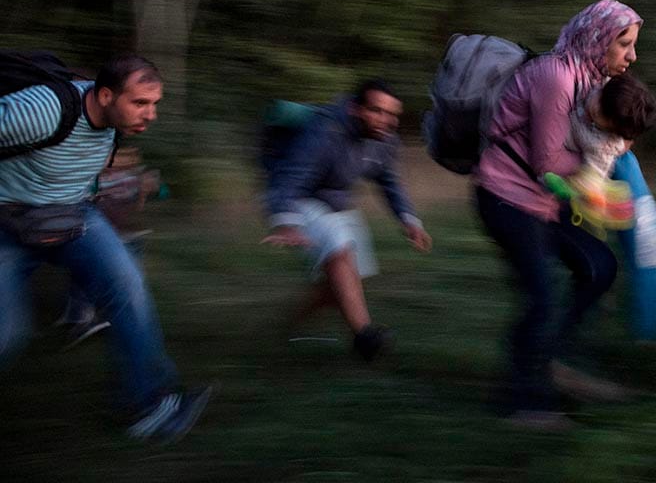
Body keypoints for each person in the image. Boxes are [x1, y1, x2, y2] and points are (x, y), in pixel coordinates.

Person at [0, 54, 211, 443]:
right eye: (140, 103)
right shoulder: (44, 109)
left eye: (155, 104)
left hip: (73, 215)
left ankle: (149, 406)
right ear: (105, 95)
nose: (151, 114)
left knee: (128, 288)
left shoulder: (115, 124)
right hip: (7, 223)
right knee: (7, 331)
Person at [473, 0, 643, 428]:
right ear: (598, 37)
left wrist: (611, 147)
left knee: (599, 267)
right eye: (624, 43)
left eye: (633, 44)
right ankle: (524, 402)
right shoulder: (557, 76)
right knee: (540, 298)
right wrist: (600, 166)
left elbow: (582, 145)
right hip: (506, 198)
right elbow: (547, 163)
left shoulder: (591, 80)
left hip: (544, 201)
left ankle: (552, 363)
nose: (632, 55)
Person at [262, 78, 432, 360]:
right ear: (355, 109)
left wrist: (409, 218)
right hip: (295, 198)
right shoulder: (325, 131)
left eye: (392, 114)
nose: (386, 121)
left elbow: (388, 180)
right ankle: (365, 338)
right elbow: (290, 178)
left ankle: (286, 330)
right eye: (377, 111)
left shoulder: (385, 139)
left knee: (340, 285)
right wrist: (286, 222)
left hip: (334, 202)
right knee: (339, 251)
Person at [56, 144, 165, 348]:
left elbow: (152, 196)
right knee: (94, 278)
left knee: (124, 280)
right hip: (102, 238)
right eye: (118, 159)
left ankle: (88, 317)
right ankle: (82, 319)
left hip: (123, 236)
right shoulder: (100, 179)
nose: (123, 163)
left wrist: (146, 188)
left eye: (128, 158)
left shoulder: (130, 179)